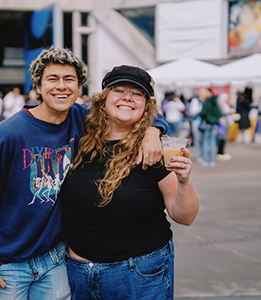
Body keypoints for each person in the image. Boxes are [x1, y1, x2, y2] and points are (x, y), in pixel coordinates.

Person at [0, 47, 168, 300]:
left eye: (69, 80)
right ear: (38, 87)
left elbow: (136, 108)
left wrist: (154, 131)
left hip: (55, 260)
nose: (61, 86)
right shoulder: (5, 136)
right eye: (52, 79)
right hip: (8, 266)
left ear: (79, 88)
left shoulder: (81, 119)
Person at [60, 65, 200, 300]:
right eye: (119, 90)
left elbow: (184, 216)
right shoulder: (79, 139)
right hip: (78, 274)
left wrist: (184, 180)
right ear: (104, 99)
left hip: (138, 276)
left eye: (137, 93)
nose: (127, 97)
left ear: (147, 105)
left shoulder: (156, 150)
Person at [200, 88, 221, 167]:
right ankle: (212, 160)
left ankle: (206, 160)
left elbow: (203, 112)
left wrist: (207, 117)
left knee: (205, 142)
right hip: (214, 123)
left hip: (207, 123)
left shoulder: (207, 101)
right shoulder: (215, 101)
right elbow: (219, 113)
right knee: (212, 142)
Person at [216, 93, 235, 161]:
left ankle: (221, 152)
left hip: (225, 121)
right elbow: (224, 111)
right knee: (222, 138)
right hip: (223, 122)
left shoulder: (223, 104)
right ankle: (220, 152)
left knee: (223, 138)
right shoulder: (221, 104)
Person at [188, 90, 205, 163]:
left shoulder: (206, 101)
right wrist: (201, 108)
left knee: (205, 139)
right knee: (198, 139)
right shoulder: (195, 100)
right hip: (197, 121)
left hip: (204, 122)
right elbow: (192, 112)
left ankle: (205, 155)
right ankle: (199, 155)